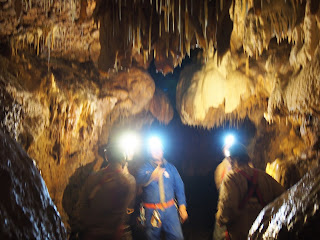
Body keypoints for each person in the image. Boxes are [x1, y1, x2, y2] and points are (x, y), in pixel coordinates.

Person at [215, 141, 285, 240]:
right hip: (263, 233)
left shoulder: (231, 179)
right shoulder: (265, 177)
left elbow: (228, 208)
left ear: (231, 159)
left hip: (240, 233)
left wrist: (220, 219)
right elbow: (284, 197)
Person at [76, 140, 136, 240]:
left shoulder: (93, 178)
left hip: (93, 233)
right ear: (123, 158)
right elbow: (128, 211)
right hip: (115, 234)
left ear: (107, 157)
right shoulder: (129, 181)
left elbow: (82, 206)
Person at [136, 137, 188, 240]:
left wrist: (182, 206)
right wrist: (151, 176)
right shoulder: (144, 168)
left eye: (158, 149)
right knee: (152, 237)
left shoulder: (171, 168)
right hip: (152, 211)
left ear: (162, 151)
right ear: (149, 152)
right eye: (153, 149)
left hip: (170, 209)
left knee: (176, 237)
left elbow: (179, 187)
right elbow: (139, 180)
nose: (156, 151)